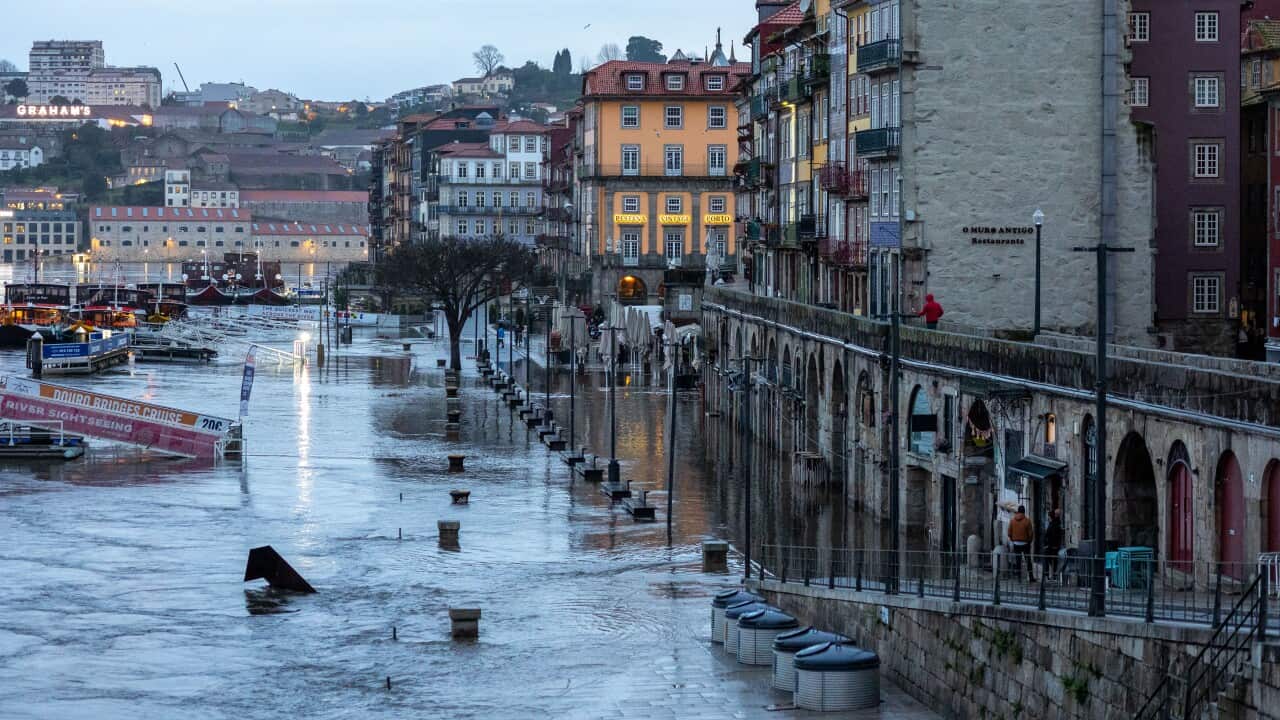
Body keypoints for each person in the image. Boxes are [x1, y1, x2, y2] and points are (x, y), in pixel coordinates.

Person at [1008, 505, 1035, 582]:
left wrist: (1013, 540)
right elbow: (1030, 534)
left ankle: (1019, 578)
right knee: (1028, 561)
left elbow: (1009, 533)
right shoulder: (1027, 521)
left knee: (1018, 561)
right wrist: (1029, 541)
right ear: (1024, 512)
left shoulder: (1012, 521)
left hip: (1016, 543)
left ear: (1018, 511)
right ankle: (1031, 577)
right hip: (1025, 543)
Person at [1042, 508, 1064, 583]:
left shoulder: (1053, 524)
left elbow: (1051, 535)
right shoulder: (1057, 523)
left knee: (1047, 559)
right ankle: (1054, 576)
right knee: (1054, 561)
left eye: (1049, 517)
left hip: (1051, 546)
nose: (1048, 518)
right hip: (1055, 546)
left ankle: (1047, 575)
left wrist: (1047, 544)